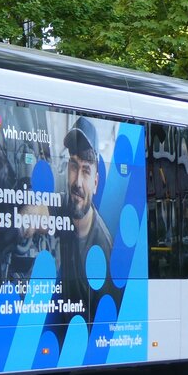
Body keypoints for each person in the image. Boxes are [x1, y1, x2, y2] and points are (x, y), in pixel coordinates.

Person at [58, 116, 116, 320]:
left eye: (86, 171)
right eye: (74, 166)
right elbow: (42, 209)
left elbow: (105, 324)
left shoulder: (102, 248)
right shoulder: (66, 208)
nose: (78, 183)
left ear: (96, 183)